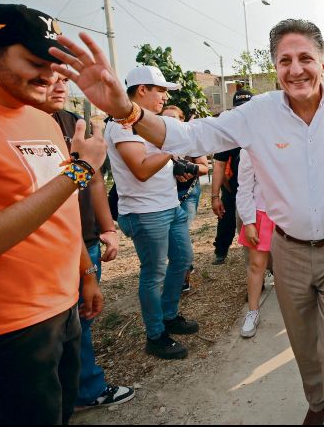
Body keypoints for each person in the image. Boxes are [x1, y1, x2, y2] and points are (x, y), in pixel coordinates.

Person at [51, 19, 324, 426]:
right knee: (304, 346)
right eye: (285, 60)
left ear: (322, 63)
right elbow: (191, 137)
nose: (296, 69)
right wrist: (127, 111)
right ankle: (317, 403)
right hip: (288, 250)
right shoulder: (257, 113)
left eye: (305, 58)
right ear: (275, 66)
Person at [0, 3, 107, 424]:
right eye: (34, 61)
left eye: (54, 63)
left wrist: (85, 272)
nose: (50, 75)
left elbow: (58, 206)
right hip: (8, 327)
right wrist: (81, 171)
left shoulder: (41, 118)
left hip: (63, 307)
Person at [33, 76, 135, 410]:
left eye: (64, 76)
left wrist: (107, 228)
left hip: (83, 241)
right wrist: (81, 168)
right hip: (43, 252)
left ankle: (82, 389)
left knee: (80, 322)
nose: (59, 84)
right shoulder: (12, 126)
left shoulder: (69, 122)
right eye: (43, 69)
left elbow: (92, 182)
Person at [104, 65, 198, 360]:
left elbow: (157, 165)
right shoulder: (121, 123)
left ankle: (169, 315)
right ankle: (155, 335)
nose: (163, 97)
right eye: (159, 90)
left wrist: (176, 170)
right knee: (154, 273)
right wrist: (172, 150)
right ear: (141, 90)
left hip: (170, 205)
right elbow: (141, 169)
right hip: (145, 212)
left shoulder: (152, 122)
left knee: (183, 259)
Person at [161, 105, 209, 293]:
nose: (169, 122)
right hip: (164, 195)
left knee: (181, 232)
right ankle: (182, 265)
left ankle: (182, 277)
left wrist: (188, 168)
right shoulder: (154, 140)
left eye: (174, 118)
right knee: (169, 236)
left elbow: (204, 167)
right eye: (165, 118)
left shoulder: (191, 139)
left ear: (182, 120)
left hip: (187, 194)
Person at [236, 149, 274, 338]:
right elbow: (244, 188)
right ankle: (253, 311)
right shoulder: (249, 148)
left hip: (291, 214)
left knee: (293, 266)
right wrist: (249, 222)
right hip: (262, 212)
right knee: (257, 265)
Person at [210, 90, 251, 265]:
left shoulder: (264, 129)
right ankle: (221, 250)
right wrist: (215, 196)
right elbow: (218, 165)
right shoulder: (228, 133)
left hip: (259, 189)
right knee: (226, 219)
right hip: (232, 187)